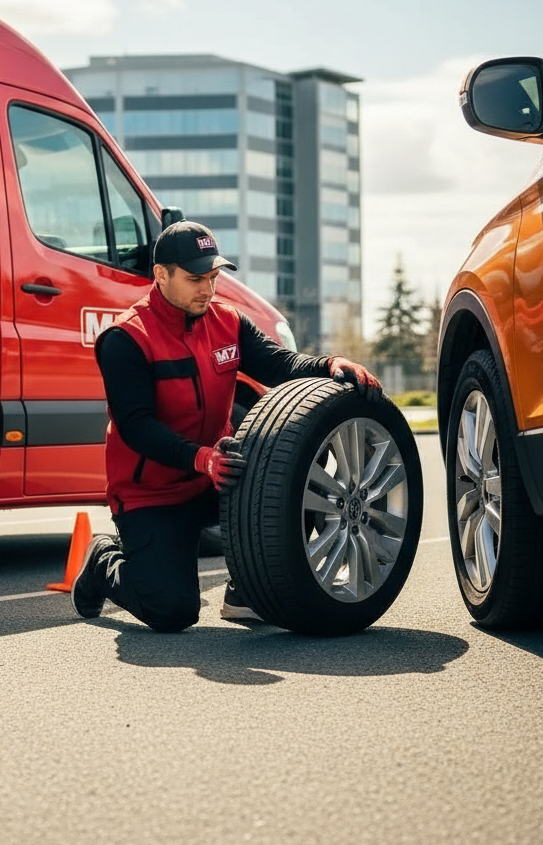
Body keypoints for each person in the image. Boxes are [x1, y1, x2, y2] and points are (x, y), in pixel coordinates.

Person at [72, 220, 381, 632]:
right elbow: (135, 426)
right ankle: (101, 559)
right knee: (172, 611)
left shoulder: (227, 322)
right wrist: (201, 459)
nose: (208, 289)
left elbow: (278, 364)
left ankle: (246, 592)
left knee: (290, 483)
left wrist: (327, 364)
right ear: (160, 274)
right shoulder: (126, 338)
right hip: (151, 495)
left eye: (214, 278)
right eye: (196, 278)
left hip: (215, 480)